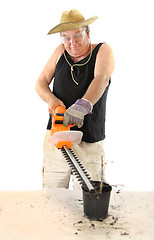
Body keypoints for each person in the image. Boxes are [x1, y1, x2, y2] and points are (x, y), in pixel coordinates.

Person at [35, 9, 115, 188]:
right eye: (66, 38)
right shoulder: (59, 52)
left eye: (77, 36)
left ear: (87, 32)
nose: (72, 43)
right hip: (57, 136)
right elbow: (40, 82)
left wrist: (83, 105)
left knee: (89, 196)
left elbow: (101, 78)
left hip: (89, 139)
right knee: (53, 195)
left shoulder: (102, 50)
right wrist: (51, 100)